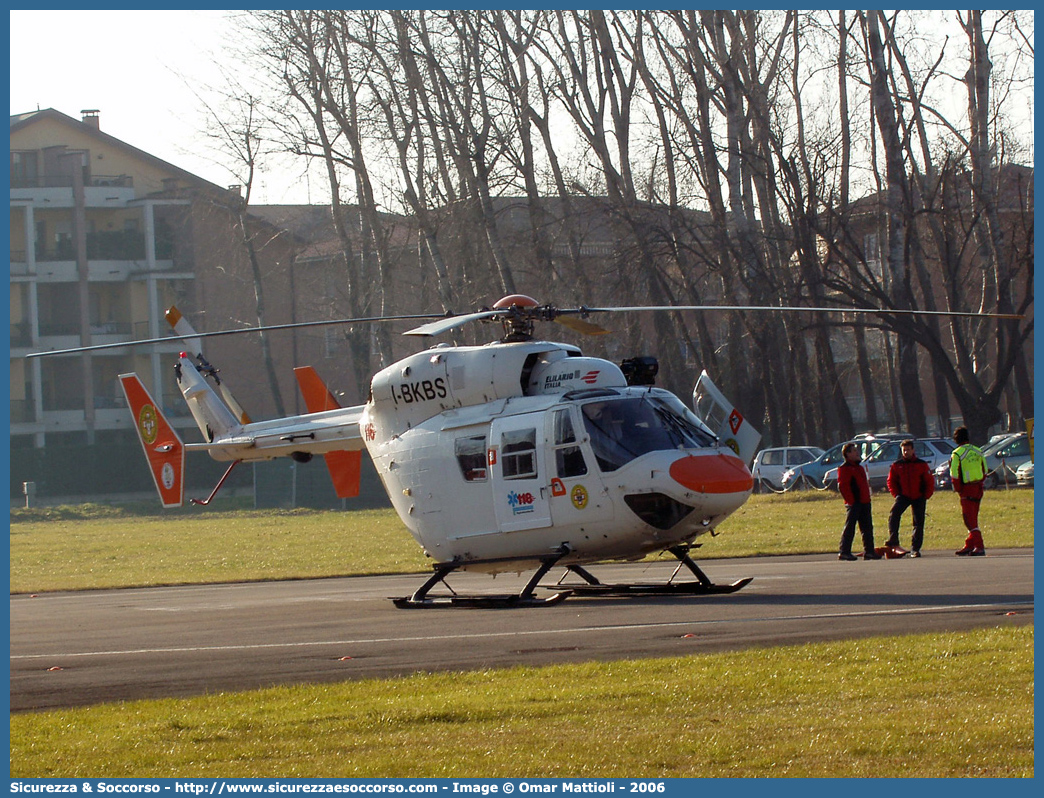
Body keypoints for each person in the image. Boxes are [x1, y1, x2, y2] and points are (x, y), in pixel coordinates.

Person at [885, 439, 935, 557]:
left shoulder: (921, 464)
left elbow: (929, 481)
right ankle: (894, 540)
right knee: (894, 515)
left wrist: (925, 495)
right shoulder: (897, 465)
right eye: (904, 450)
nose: (906, 452)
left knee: (918, 522)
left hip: (918, 496)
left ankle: (915, 548)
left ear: (913, 450)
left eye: (908, 450)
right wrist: (896, 494)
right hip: (903, 496)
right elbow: (891, 481)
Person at [837, 442, 881, 561]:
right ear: (848, 454)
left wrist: (867, 498)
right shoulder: (844, 468)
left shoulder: (859, 467)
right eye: (854, 451)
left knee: (867, 528)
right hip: (855, 503)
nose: (857, 453)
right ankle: (844, 551)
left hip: (864, 501)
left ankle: (869, 551)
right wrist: (851, 501)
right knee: (850, 527)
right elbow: (843, 487)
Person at [950, 426, 987, 556]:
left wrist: (959, 489)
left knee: (968, 519)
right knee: (974, 517)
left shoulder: (957, 453)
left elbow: (954, 474)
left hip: (966, 489)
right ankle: (969, 545)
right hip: (978, 488)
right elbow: (985, 470)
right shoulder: (978, 450)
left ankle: (979, 545)